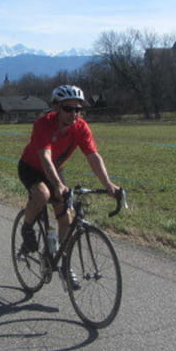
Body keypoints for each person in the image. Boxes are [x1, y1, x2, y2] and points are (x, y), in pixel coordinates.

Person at [18, 85, 120, 260]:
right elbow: (45, 157)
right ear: (57, 107)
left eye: (78, 109)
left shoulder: (80, 127)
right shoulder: (44, 124)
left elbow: (93, 156)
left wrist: (108, 184)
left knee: (66, 216)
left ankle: (60, 259)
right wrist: (58, 185)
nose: (73, 113)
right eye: (68, 109)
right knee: (42, 195)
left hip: (55, 169)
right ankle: (27, 228)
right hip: (32, 167)